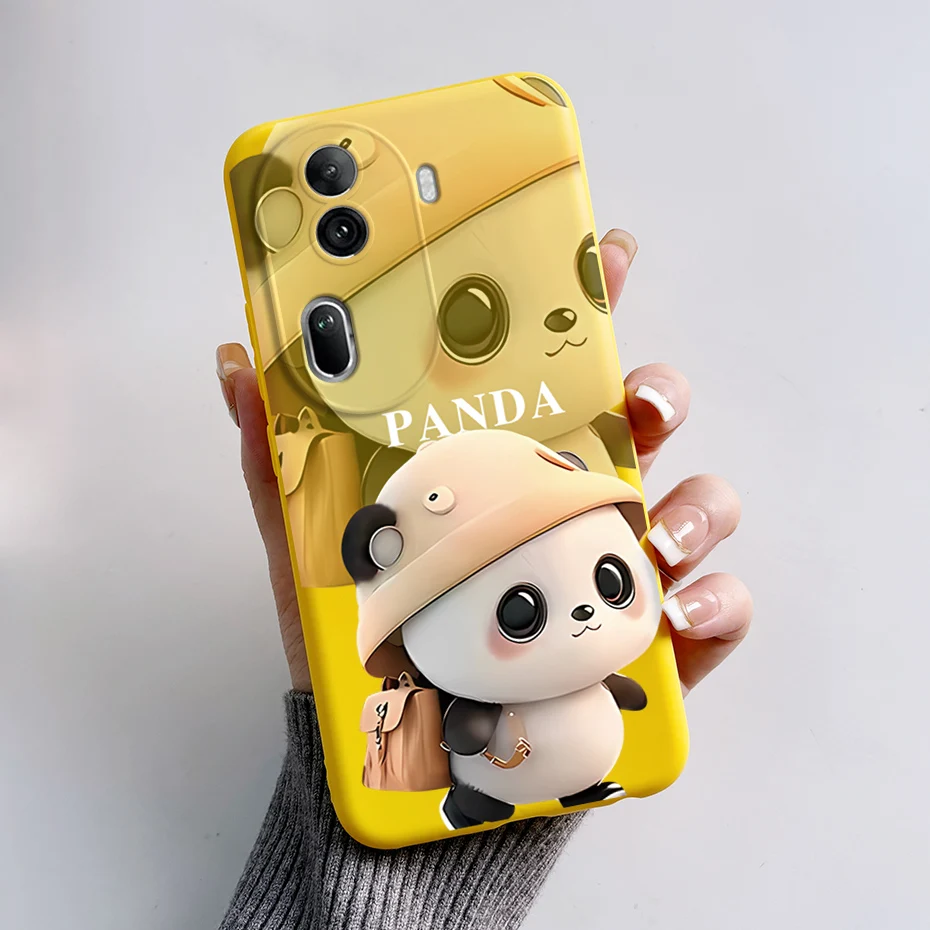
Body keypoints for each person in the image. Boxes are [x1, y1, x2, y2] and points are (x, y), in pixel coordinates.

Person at [214, 229, 753, 930]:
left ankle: (567, 782)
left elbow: (616, 686)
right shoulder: (445, 676)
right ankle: (480, 802)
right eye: (520, 612)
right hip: (480, 784)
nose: (586, 616)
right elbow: (463, 730)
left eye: (612, 583)